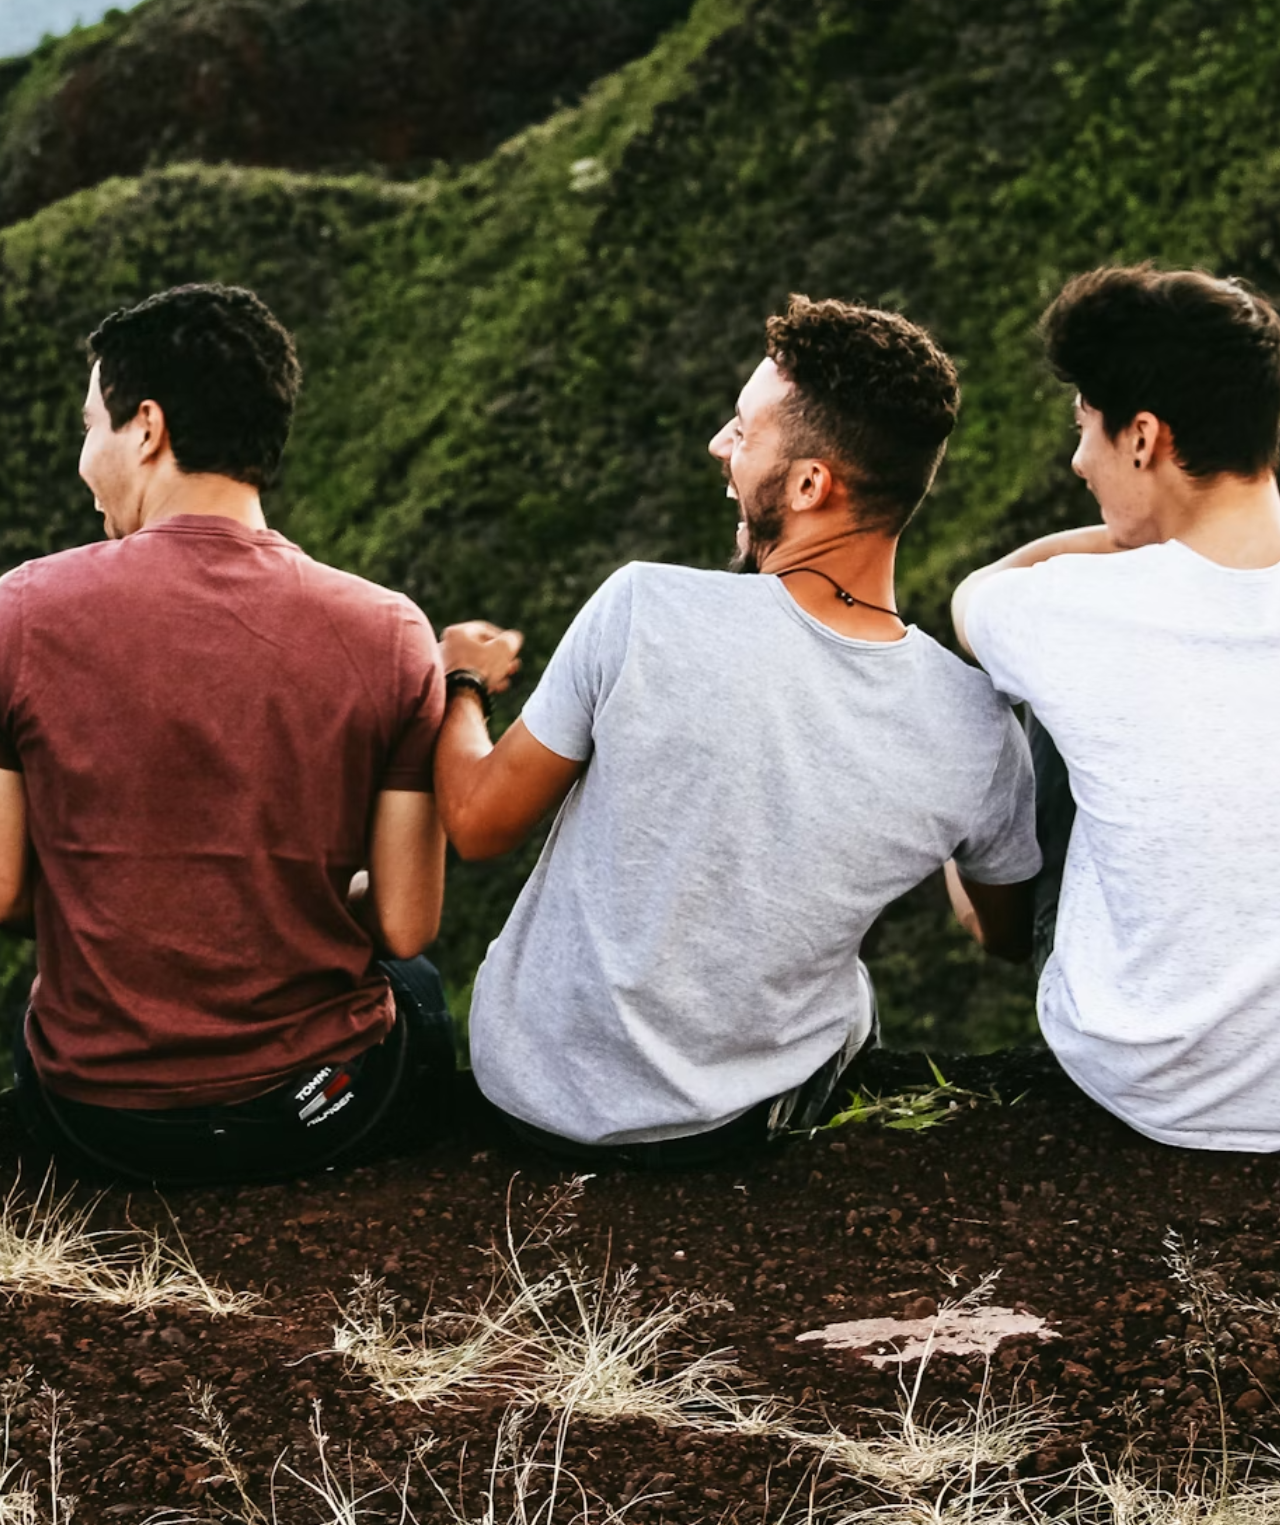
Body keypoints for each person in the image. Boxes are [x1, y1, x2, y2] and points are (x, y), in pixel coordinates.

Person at [433, 294, 1041, 1166]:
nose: (720, 444)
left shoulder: (642, 607)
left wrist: (461, 681)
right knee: (851, 996)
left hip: (529, 1095)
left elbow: (477, 824)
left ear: (809, 485)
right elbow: (1003, 935)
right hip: (729, 1128)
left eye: (744, 431)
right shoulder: (977, 726)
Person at [0, 282, 479, 1185]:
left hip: (97, 1120)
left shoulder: (20, 613)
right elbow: (406, 923)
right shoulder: (391, 632)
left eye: (90, 427)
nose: (84, 458)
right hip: (314, 1112)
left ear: (147, 428)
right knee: (414, 990)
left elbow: (3, 888)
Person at [952, 264, 1280, 1153]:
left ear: (1143, 437)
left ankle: (997, 926)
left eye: (1084, 427)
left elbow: (975, 598)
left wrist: (1129, 541)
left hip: (1147, 1080)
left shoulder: (1071, 608)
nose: (1076, 462)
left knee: (1029, 702)